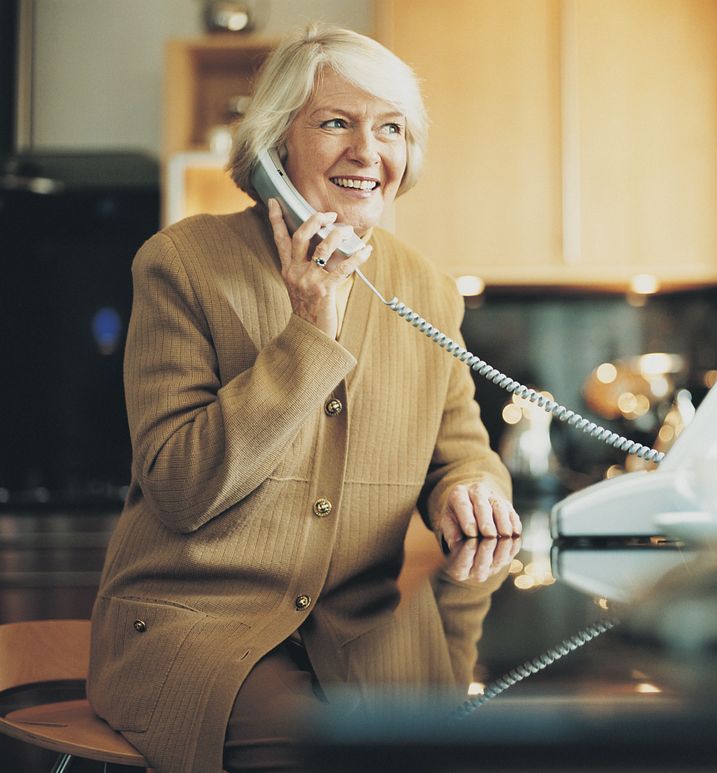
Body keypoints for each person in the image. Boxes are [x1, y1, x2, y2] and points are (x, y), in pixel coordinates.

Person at [88, 24, 521, 773]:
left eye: (391, 129)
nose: (367, 152)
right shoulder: (183, 264)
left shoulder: (425, 289)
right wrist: (309, 332)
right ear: (273, 146)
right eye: (335, 123)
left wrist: (471, 488)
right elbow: (183, 486)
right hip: (199, 633)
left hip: (365, 636)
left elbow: (462, 449)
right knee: (321, 755)